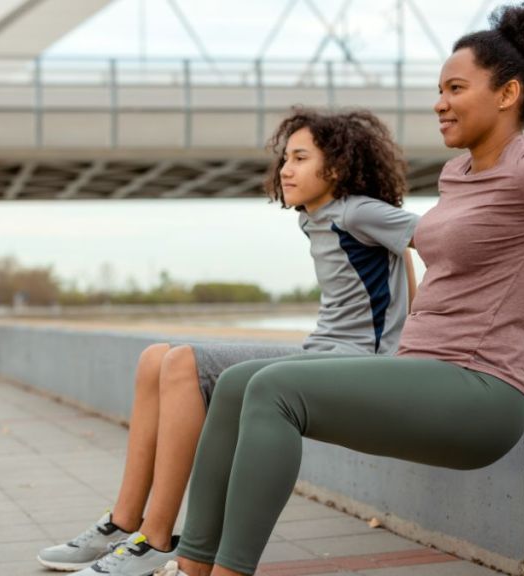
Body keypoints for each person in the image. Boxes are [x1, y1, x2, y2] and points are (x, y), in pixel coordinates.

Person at [157, 4, 524, 576]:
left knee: (275, 390)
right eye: (439, 88)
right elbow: (516, 257)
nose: (439, 102)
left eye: (456, 88)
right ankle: (192, 567)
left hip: (477, 392)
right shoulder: (457, 175)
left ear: (508, 93)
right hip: (422, 371)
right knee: (239, 384)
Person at [36, 108, 421, 575]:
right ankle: (123, 522)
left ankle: (156, 539)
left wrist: (417, 337)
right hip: (321, 352)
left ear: (336, 167)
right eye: (285, 158)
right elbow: (400, 261)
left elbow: (432, 244)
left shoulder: (358, 210)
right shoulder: (313, 218)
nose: (285, 169)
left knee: (183, 363)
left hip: (355, 363)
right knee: (154, 358)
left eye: (300, 158)